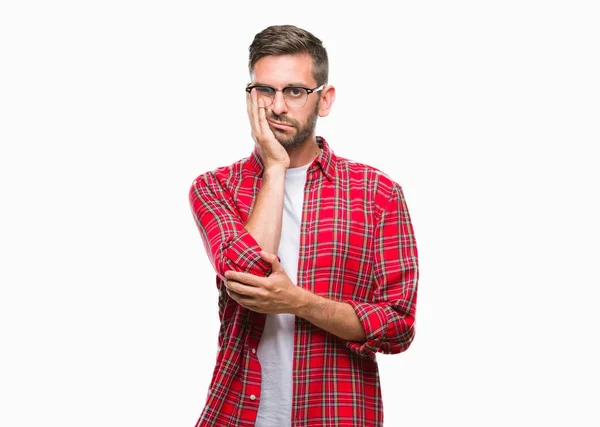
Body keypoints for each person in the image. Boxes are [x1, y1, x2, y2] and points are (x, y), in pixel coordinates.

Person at [189, 24, 418, 427]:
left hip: (336, 412)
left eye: (295, 91)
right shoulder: (215, 187)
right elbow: (247, 276)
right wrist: (274, 167)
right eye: (265, 91)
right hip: (238, 412)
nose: (277, 106)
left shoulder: (377, 194)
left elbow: (399, 325)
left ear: (324, 99)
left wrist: (299, 303)